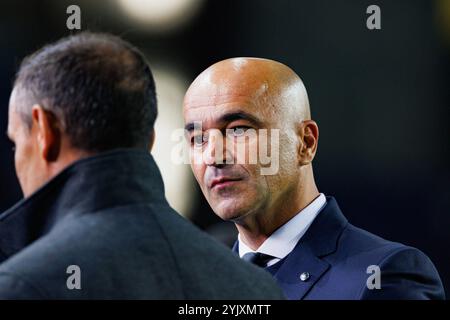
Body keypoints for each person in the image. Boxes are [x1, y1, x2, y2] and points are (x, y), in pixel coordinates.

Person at [0, 33, 285, 299]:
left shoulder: (21, 285)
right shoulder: (256, 288)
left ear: (44, 131)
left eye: (16, 142)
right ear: (150, 139)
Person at [182, 57, 445, 299]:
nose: (212, 156)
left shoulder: (384, 276)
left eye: (239, 129)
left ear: (305, 143)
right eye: (198, 139)